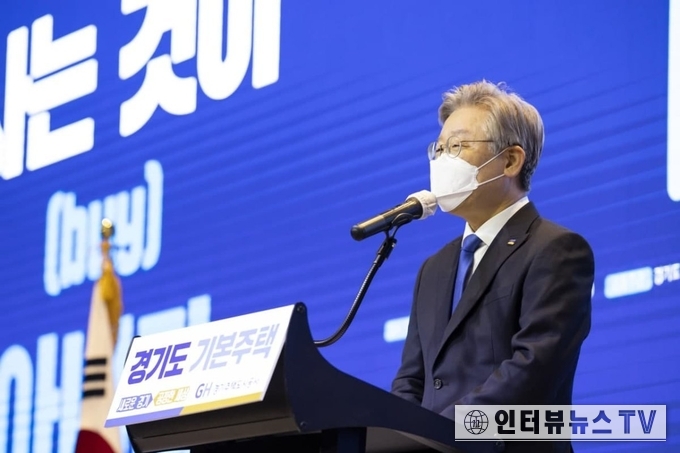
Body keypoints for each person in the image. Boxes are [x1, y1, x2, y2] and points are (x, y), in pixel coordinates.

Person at [391, 81, 594, 453]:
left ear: (511, 161)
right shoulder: (434, 268)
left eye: (458, 146)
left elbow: (533, 368)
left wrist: (442, 435)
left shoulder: (556, 250)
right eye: (439, 148)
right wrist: (401, 441)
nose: (442, 160)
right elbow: (411, 380)